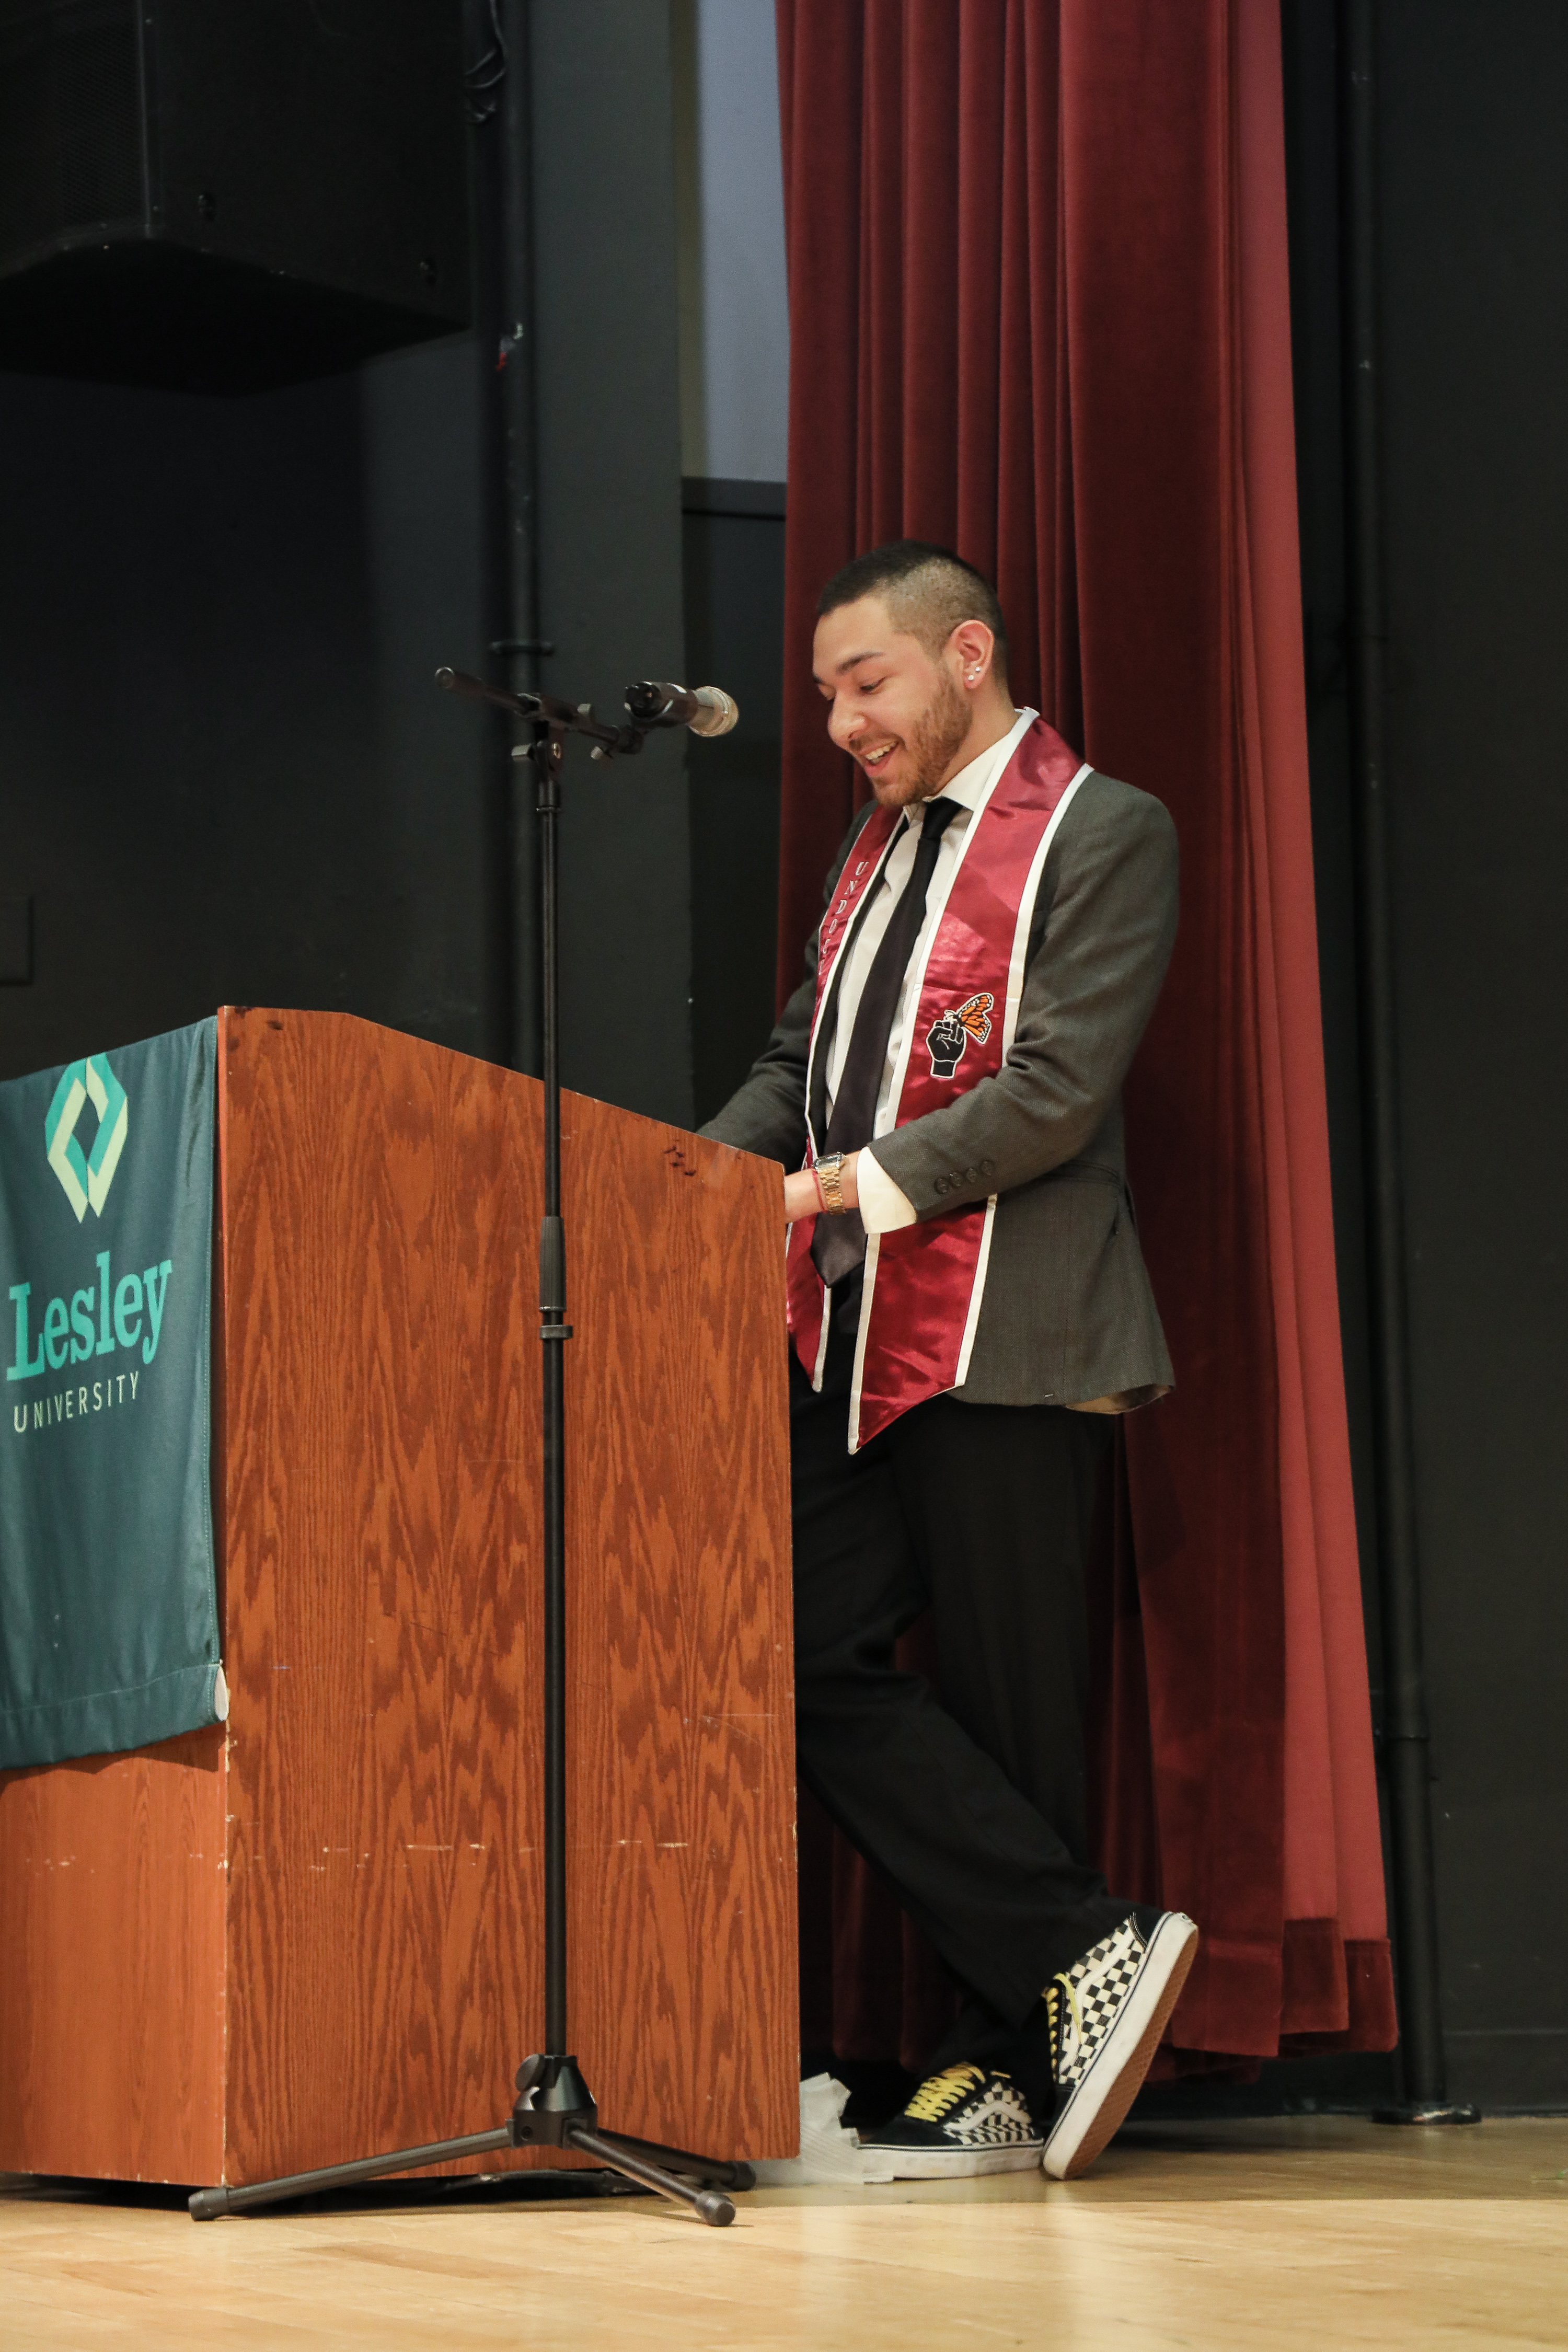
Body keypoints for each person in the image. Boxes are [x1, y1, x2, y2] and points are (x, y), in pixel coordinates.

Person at [701, 540, 1196, 2181]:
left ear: (965, 654)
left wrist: (833, 1185)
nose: (842, 719)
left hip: (1016, 1328)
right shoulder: (876, 853)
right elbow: (801, 1059)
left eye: (868, 682)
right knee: (785, 1639)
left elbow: (1056, 1092)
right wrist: (691, 1192)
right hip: (852, 1337)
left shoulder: (1104, 830)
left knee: (1011, 1706)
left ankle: (1005, 2056)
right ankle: (1073, 1954)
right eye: (829, 693)